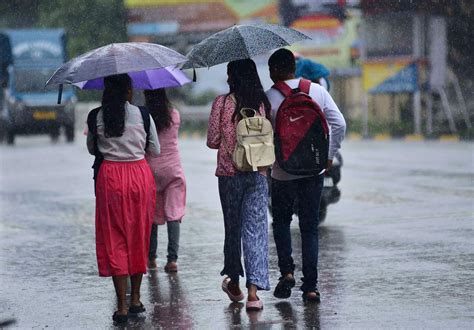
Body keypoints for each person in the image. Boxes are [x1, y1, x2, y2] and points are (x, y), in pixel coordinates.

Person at [266, 49, 346, 302]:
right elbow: (339, 124)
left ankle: (287, 271)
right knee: (309, 228)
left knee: (281, 222)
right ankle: (310, 286)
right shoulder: (317, 91)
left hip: (282, 171)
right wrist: (329, 155)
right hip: (313, 169)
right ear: (294, 67)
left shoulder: (268, 97)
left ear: (276, 70)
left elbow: (263, 136)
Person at [86, 74, 160, 323]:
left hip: (110, 178)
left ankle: (121, 306)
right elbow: (155, 150)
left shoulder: (96, 116)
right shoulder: (143, 115)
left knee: (115, 237)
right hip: (139, 176)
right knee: (139, 235)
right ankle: (136, 299)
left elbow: (91, 149)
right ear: (128, 91)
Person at [207, 59, 271, 311]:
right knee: (255, 230)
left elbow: (212, 141)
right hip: (257, 173)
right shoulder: (261, 104)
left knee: (232, 228)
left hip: (229, 174)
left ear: (232, 77)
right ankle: (253, 294)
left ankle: (234, 282)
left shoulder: (222, 103)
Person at [144, 88, 186, 273]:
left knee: (151, 212)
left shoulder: (145, 116)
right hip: (172, 169)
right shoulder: (174, 114)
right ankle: (172, 260)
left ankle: (151, 258)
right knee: (174, 213)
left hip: (150, 167)